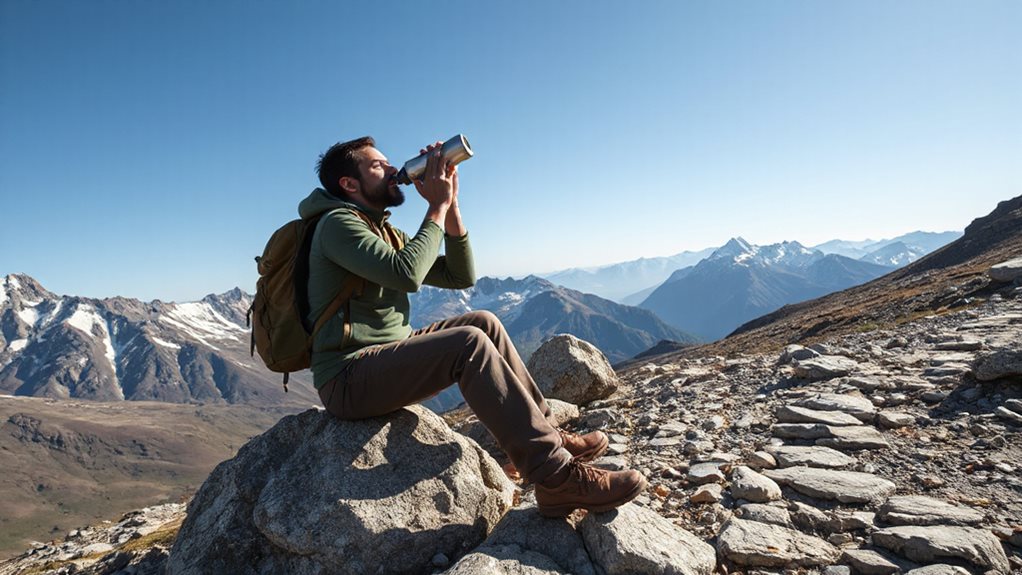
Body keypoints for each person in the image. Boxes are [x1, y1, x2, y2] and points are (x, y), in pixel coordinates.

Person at [298, 136, 647, 517]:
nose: (392, 170)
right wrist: (436, 204)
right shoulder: (337, 225)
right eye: (378, 166)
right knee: (468, 343)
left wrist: (452, 205)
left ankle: (549, 438)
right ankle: (556, 478)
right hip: (349, 377)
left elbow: (460, 275)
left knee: (484, 322)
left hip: (383, 356)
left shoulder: (380, 228)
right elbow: (407, 274)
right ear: (349, 184)